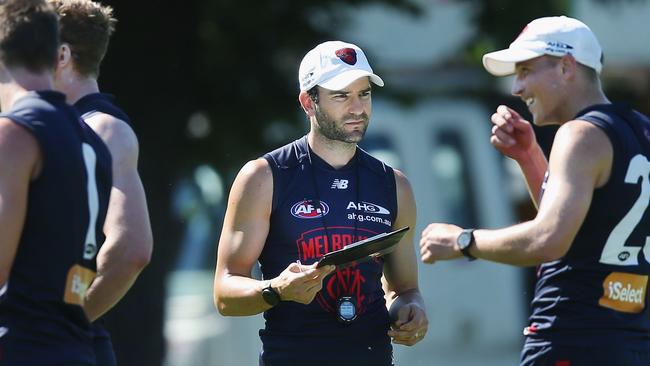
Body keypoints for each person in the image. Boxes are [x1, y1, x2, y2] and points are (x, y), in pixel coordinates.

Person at [419, 15, 650, 366]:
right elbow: (581, 226)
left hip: (571, 337)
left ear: (566, 67)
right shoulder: (639, 129)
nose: (516, 88)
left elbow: (550, 239)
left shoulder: (578, 134)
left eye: (526, 71)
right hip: (630, 342)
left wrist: (461, 241)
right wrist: (529, 158)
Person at [213, 40, 428, 365]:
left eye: (364, 93)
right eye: (341, 95)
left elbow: (404, 289)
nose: (357, 108)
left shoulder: (394, 185)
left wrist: (412, 312)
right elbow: (224, 293)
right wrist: (276, 290)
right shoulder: (264, 177)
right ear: (308, 102)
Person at [0, 0, 113, 364]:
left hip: (22, 346)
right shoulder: (91, 139)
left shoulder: (15, 133)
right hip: (74, 346)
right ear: (56, 53)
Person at [49, 0, 153, 364]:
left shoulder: (100, 128)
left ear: (61, 55)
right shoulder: (56, 128)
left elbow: (131, 249)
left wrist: (61, 325)